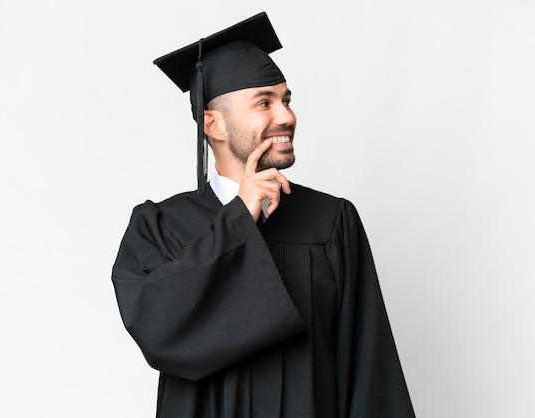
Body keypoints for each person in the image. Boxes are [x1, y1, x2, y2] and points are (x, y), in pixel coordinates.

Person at [112, 11, 415, 418]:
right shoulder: (159, 227)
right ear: (212, 123)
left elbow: (369, 372)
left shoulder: (331, 222)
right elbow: (158, 329)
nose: (286, 116)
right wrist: (239, 218)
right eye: (264, 102)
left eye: (286, 100)